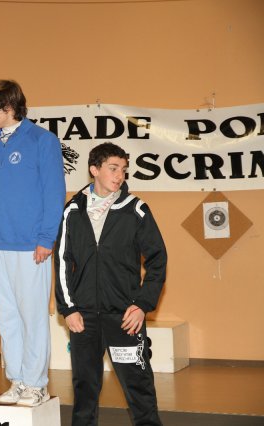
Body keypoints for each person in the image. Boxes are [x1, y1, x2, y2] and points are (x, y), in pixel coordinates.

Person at [54, 142, 167, 425]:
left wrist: (142, 305)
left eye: (124, 170)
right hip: (84, 317)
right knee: (84, 389)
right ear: (94, 170)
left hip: (124, 317)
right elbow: (62, 262)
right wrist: (69, 309)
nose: (120, 175)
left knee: (138, 387)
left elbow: (157, 260)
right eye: (113, 168)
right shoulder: (72, 211)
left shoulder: (136, 209)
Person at [0, 79, 66, 407]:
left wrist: (46, 238)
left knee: (33, 316)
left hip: (31, 246)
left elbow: (54, 192)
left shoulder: (42, 140)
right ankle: (18, 379)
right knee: (7, 316)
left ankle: (37, 384)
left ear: (8, 107)